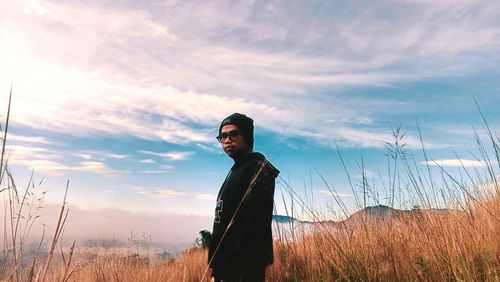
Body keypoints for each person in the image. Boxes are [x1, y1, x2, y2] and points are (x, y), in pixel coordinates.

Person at [208, 113, 279, 282]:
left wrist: (230, 271)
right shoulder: (238, 169)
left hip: (241, 270)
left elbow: (255, 226)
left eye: (233, 134)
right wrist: (216, 271)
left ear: (247, 137)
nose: (227, 140)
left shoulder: (255, 170)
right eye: (223, 136)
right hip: (225, 269)